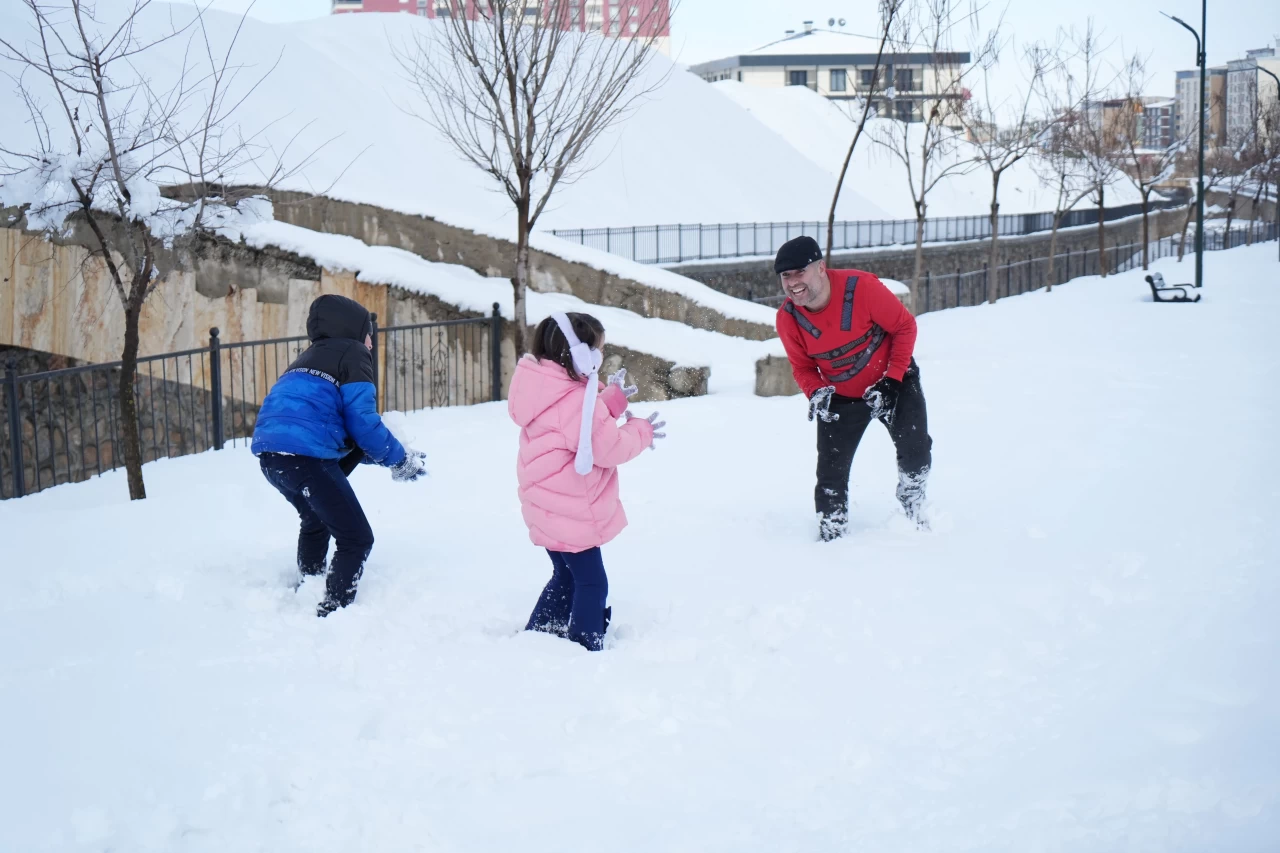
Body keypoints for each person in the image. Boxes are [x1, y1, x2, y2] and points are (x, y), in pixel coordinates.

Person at [252, 294, 427, 616]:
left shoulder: (306, 359)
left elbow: (336, 431)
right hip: (306, 458)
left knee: (315, 519)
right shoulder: (353, 352)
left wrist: (388, 454)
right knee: (357, 538)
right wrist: (399, 460)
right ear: (353, 331)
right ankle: (333, 610)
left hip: (272, 456)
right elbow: (362, 421)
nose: (372, 343)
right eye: (369, 333)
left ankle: (310, 583)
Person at [508, 312, 665, 651]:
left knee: (566, 576)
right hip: (571, 513)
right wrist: (641, 430)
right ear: (579, 356)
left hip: (547, 507)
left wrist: (611, 402)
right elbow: (607, 447)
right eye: (598, 350)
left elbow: (576, 424)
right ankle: (584, 645)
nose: (601, 358)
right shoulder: (579, 401)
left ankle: (541, 633)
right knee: (592, 583)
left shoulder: (542, 388)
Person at [773, 236, 933, 539]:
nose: (792, 282)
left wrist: (892, 379)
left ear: (821, 267)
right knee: (830, 477)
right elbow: (803, 367)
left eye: (799, 272)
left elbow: (904, 327)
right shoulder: (788, 319)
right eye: (785, 275)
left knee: (916, 453)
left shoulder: (861, 289)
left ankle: (914, 506)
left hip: (893, 382)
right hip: (841, 399)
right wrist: (815, 391)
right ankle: (832, 535)